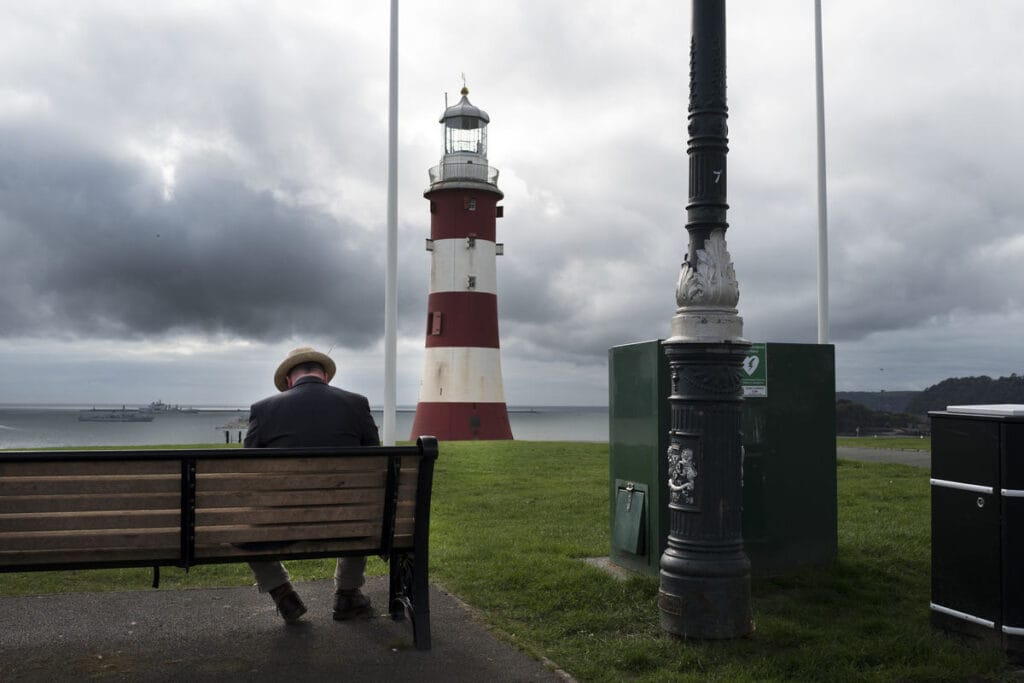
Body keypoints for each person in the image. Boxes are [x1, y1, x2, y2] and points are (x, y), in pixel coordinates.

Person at [244, 346, 380, 624]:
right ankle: (348, 593)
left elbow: (250, 472)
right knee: (362, 507)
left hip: (282, 523)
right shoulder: (357, 404)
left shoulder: (263, 410)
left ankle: (282, 593)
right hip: (347, 522)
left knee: (241, 525)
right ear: (326, 376)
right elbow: (374, 465)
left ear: (289, 380)